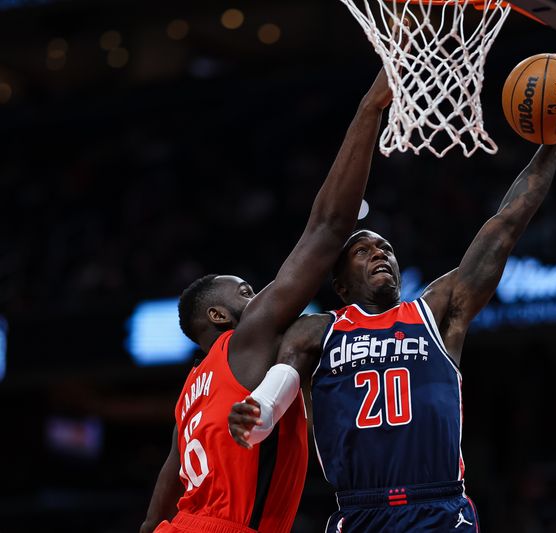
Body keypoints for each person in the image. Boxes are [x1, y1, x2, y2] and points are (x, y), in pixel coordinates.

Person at [229, 143, 556, 532]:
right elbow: (277, 389)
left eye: (385, 248)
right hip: (360, 511)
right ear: (339, 285)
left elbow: (506, 223)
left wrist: (553, 143)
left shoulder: (436, 312)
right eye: (363, 250)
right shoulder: (317, 330)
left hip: (438, 506)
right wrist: (257, 413)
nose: (379, 253)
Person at [139, 67, 393, 533]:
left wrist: (151, 523)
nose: (260, 299)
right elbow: (325, 229)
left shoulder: (190, 392)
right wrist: (369, 109)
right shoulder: (246, 340)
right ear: (218, 315)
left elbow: (171, 473)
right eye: (245, 292)